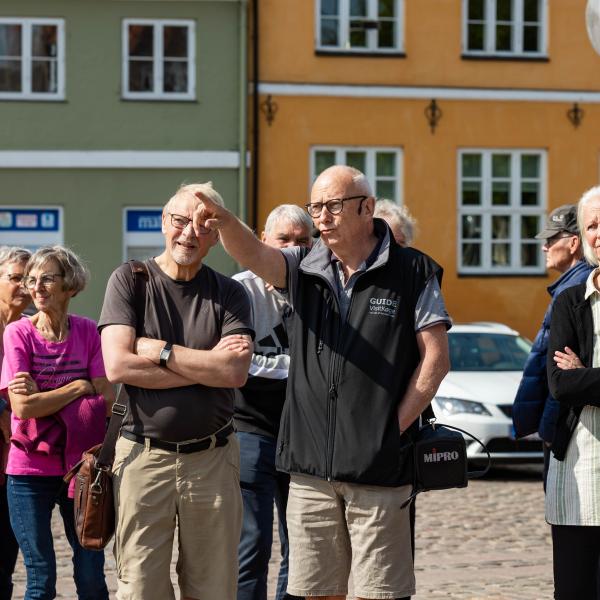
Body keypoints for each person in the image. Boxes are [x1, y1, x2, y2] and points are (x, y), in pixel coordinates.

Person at [192, 165, 451, 600]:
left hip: (379, 468)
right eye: (316, 207)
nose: (322, 218)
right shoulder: (304, 265)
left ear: (367, 207)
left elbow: (436, 361)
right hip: (310, 468)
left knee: (379, 592)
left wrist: (393, 429)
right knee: (316, 590)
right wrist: (226, 221)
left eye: (333, 206)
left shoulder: (412, 271)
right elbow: (254, 255)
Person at [98, 182, 254, 600]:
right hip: (143, 458)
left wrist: (160, 351)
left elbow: (236, 371)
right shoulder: (130, 280)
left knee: (213, 589)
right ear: (165, 223)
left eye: (204, 225)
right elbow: (118, 366)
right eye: (181, 221)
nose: (190, 233)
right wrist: (208, 367)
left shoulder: (230, 292)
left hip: (214, 459)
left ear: (216, 236)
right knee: (140, 589)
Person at [0, 245, 112, 600]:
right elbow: (23, 407)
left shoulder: (88, 331)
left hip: (82, 468)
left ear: (70, 285)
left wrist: (45, 393)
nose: (37, 286)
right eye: (32, 280)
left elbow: (106, 399)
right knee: (41, 578)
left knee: (91, 575)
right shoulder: (18, 333)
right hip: (27, 470)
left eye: (47, 278)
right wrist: (78, 387)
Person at [234, 204, 312, 600]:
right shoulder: (240, 290)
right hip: (252, 431)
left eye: (303, 241)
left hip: (305, 437)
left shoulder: (318, 287)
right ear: (262, 242)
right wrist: (299, 367)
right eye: (284, 240)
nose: (293, 250)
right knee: (252, 545)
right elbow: (239, 364)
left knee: (302, 548)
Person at [545, 186, 600, 600]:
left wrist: (589, 377)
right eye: (592, 225)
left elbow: (578, 381)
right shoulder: (570, 301)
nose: (598, 232)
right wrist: (579, 378)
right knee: (575, 589)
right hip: (579, 474)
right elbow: (561, 384)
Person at [512, 204, 592, 486]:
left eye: (550, 239)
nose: (544, 247)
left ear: (573, 243)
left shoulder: (577, 288)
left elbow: (559, 371)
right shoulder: (568, 285)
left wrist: (548, 427)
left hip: (567, 423)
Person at [0, 247, 31, 600]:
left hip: (17, 458)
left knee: (6, 554)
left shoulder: (31, 326)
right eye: (15, 277)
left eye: (31, 279)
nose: (23, 286)